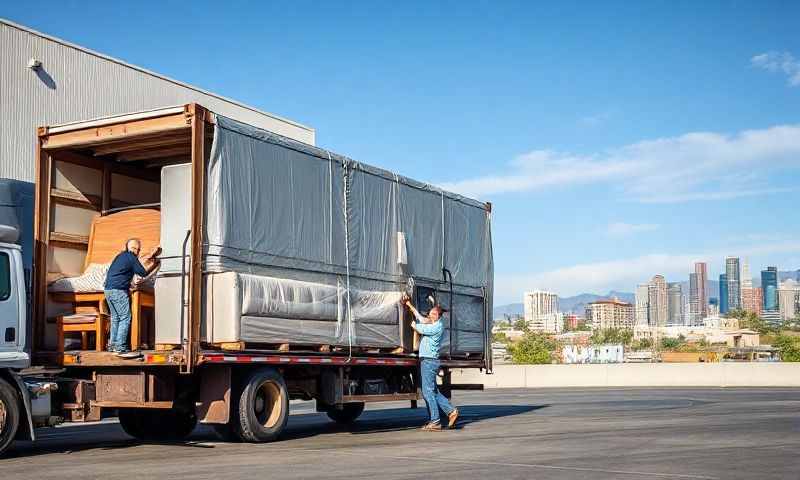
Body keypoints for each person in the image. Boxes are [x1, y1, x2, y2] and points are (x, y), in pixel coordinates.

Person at [403, 295, 459, 431]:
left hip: (429, 361)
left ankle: (435, 421)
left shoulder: (437, 327)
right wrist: (409, 306)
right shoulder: (432, 323)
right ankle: (451, 411)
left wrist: (413, 325)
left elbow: (420, 328)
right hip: (428, 360)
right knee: (433, 391)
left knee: (428, 392)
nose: (431, 314)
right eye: (431, 312)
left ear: (438, 316)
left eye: (434, 313)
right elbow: (421, 319)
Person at [104, 239, 160, 356]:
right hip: (119, 291)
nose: (138, 251)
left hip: (108, 290)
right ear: (133, 249)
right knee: (125, 317)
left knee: (115, 318)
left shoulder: (120, 256)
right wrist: (155, 264)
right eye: (138, 249)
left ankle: (112, 345)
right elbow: (142, 273)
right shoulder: (131, 257)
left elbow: (120, 273)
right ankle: (120, 347)